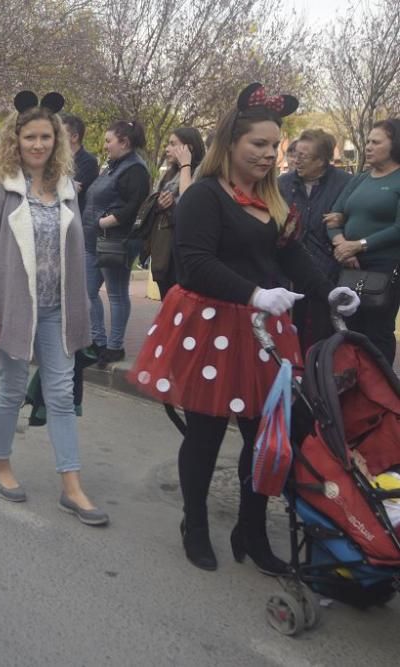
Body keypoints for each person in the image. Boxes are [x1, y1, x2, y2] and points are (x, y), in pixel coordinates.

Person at [127, 83, 360, 573]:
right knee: (206, 434)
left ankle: (251, 530)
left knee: (267, 436)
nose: (269, 154)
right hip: (212, 328)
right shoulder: (204, 195)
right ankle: (194, 525)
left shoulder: (273, 198)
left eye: (275, 145)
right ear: (231, 143)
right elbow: (195, 264)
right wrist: (254, 294)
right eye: (259, 144)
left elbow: (293, 256)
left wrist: (328, 292)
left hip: (263, 333)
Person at [0, 91, 108, 526]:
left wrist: (83, 309)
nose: (38, 144)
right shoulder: (0, 186)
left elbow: (75, 254)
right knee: (11, 390)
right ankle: (0, 465)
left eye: (46, 136)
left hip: (57, 311)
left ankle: (72, 486)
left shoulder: (65, 187)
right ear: (16, 139)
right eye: (30, 136)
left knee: (61, 394)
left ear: (58, 139)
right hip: (14, 310)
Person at [326, 118, 400, 362]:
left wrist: (359, 245)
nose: (368, 146)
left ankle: (382, 383)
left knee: (378, 331)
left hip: (385, 267)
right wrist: (342, 246)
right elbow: (333, 218)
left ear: (394, 145)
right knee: (349, 328)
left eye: (376, 142)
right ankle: (353, 380)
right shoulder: (360, 179)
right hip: (350, 265)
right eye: (367, 141)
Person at [82, 120, 152, 366]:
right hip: (93, 241)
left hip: (115, 242)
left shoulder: (135, 169)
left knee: (116, 293)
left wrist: (106, 221)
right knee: (88, 291)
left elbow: (135, 205)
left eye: (108, 140)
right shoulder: (113, 166)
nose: (105, 145)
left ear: (124, 142)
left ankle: (115, 346)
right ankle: (98, 340)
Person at [277, 128, 352, 349]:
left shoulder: (345, 183)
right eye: (295, 153)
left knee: (324, 336)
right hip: (289, 273)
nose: (296, 160)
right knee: (290, 333)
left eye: (304, 156)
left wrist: (345, 217)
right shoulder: (283, 183)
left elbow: (359, 216)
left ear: (321, 161)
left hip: (329, 270)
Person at [146, 127, 206, 297]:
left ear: (189, 147)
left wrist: (186, 164)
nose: (167, 149)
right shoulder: (168, 174)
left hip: (186, 248)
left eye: (173, 144)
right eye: (167, 144)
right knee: (167, 299)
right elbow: (152, 204)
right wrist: (159, 204)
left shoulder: (201, 172)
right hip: (164, 247)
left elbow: (188, 202)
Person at [60, 115, 99, 213]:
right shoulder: (56, 159)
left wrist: (65, 185)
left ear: (74, 137)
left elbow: (71, 191)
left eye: (61, 134)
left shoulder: (89, 162)